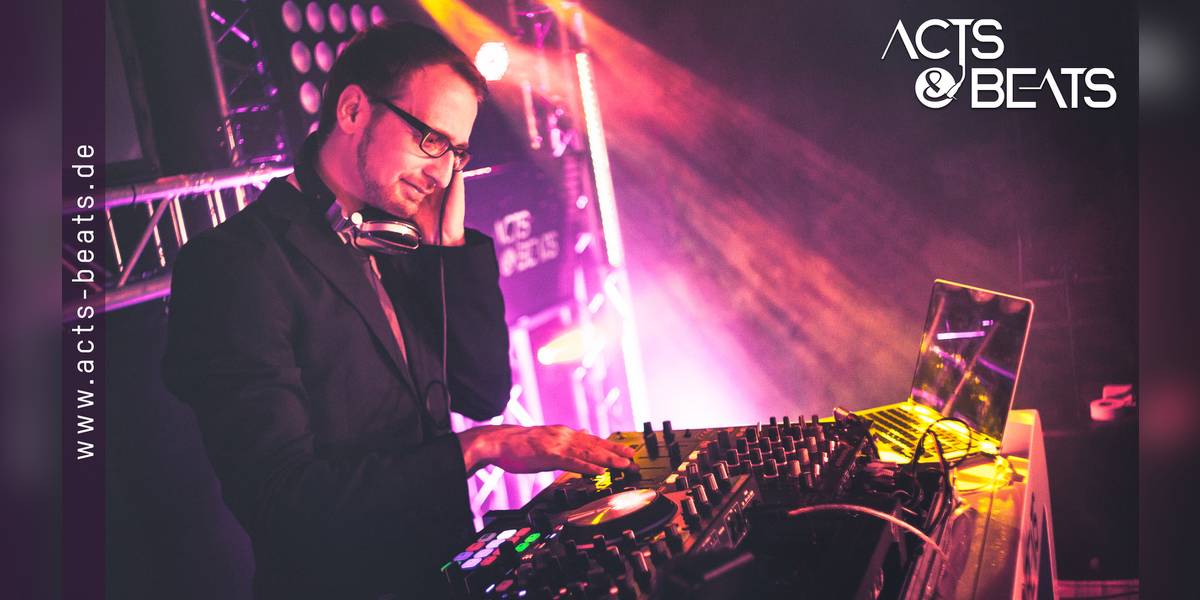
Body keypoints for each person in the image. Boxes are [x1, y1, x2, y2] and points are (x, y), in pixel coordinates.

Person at [161, 21, 635, 599]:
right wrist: (476, 447)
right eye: (431, 140)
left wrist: (450, 249)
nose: (443, 173)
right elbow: (283, 502)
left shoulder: (396, 239)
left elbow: (482, 391)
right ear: (353, 110)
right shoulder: (236, 264)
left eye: (457, 152)